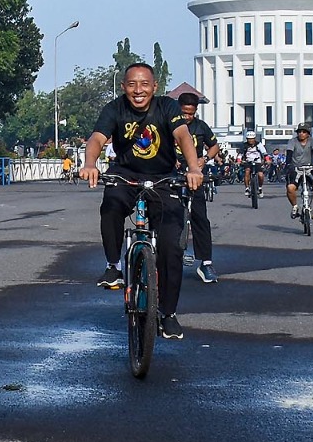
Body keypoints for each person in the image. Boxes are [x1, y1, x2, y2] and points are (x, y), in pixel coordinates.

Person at [79, 63, 205, 340]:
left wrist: (194, 168)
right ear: (123, 87)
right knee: (111, 204)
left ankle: (168, 314)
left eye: (145, 84)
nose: (139, 90)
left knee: (171, 245)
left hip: (163, 178)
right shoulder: (114, 108)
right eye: (132, 84)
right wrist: (90, 163)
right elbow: (97, 138)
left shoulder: (167, 107)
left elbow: (182, 135)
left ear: (155, 86)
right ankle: (114, 266)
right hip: (125, 175)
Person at [176, 91, 223, 282]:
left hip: (195, 176)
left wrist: (205, 158)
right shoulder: (168, 124)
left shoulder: (201, 126)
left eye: (191, 113)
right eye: (184, 113)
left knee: (200, 219)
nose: (187, 117)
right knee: (167, 218)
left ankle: (205, 263)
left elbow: (214, 146)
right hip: (172, 176)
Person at [284, 122, 313, 219]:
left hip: (310, 168)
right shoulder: (292, 141)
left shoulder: (312, 141)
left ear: (308, 133)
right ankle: (295, 206)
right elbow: (289, 154)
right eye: (299, 132)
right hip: (296, 168)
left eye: (304, 132)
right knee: (290, 188)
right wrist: (288, 164)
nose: (301, 134)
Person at [240, 131, 266, 198]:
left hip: (257, 162)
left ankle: (260, 188)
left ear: (254, 138)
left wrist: (267, 159)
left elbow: (264, 153)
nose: (250, 140)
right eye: (249, 139)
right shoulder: (244, 145)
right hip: (248, 162)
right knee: (247, 171)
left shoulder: (259, 144)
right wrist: (239, 160)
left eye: (252, 139)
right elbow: (240, 154)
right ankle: (247, 188)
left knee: (261, 175)